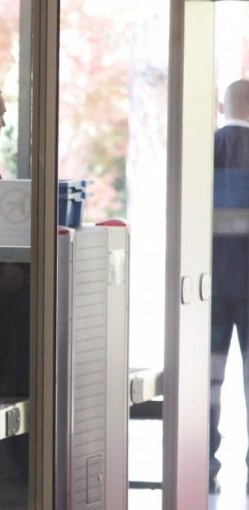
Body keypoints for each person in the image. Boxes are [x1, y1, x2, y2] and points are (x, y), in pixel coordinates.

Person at [210, 78, 249, 494]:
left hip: (210, 288)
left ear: (223, 108)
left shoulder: (204, 149)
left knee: (208, 381)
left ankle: (203, 462)